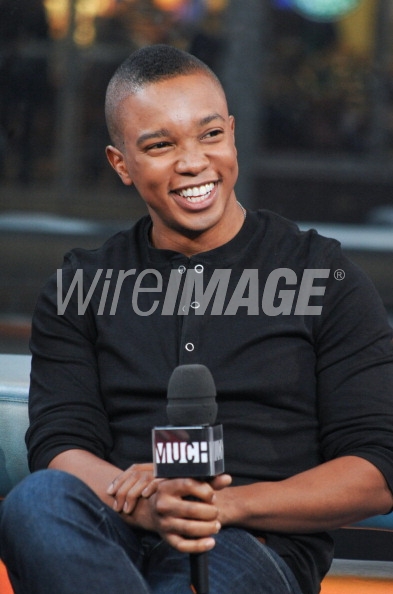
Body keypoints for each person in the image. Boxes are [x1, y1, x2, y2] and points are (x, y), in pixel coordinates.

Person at [1, 44, 393, 594]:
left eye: (210, 135)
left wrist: (220, 507)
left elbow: (375, 472)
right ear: (122, 165)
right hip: (115, 531)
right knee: (36, 502)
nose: (193, 162)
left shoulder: (323, 274)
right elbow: (60, 449)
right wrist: (149, 505)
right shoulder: (81, 285)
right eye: (161, 145)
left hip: (253, 544)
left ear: (232, 135)